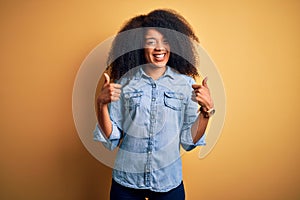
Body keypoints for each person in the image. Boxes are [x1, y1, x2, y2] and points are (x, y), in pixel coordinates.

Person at [94, 9, 215, 200]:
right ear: (140, 47)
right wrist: (100, 105)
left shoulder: (185, 84)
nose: (159, 48)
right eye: (151, 42)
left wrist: (206, 112)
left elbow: (188, 142)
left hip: (169, 183)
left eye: (165, 41)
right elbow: (112, 138)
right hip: (126, 184)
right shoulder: (124, 83)